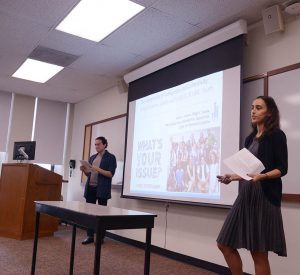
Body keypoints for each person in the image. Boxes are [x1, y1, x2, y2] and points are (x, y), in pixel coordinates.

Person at [216, 96, 288, 275]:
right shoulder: (249, 139)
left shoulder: (276, 136)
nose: (253, 111)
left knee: (258, 253)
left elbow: (282, 169)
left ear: (269, 112)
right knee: (224, 243)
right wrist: (232, 177)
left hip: (264, 196)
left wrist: (262, 176)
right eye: (252, 107)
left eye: (258, 108)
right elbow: (248, 172)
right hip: (246, 195)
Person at [80, 136, 117, 245]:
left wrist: (98, 169)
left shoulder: (110, 157)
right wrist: (84, 171)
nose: (96, 146)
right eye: (95, 144)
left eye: (98, 144)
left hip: (102, 189)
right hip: (90, 188)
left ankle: (100, 237)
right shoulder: (92, 158)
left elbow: (110, 174)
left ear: (105, 144)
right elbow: (89, 175)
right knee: (90, 214)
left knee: (101, 215)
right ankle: (90, 236)